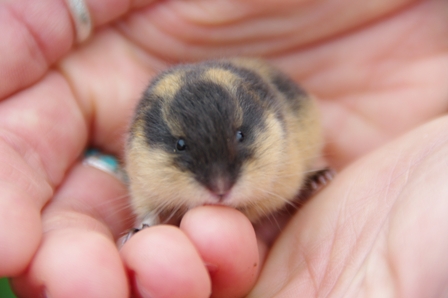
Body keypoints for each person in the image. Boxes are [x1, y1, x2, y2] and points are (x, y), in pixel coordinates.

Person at [1, 0, 447, 297]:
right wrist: (150, 217)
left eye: (239, 140)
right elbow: (146, 197)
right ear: (142, 142)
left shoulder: (271, 122)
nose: (219, 186)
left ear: (258, 124)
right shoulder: (145, 138)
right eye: (179, 147)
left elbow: (286, 133)